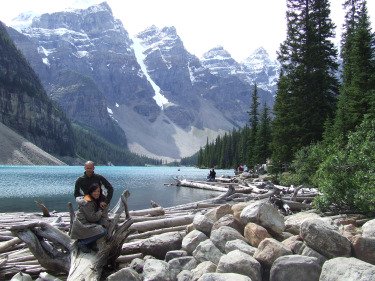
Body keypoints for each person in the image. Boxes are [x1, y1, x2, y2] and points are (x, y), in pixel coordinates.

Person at [70, 183, 109, 253]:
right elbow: (92, 218)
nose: (97, 193)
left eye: (98, 191)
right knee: (103, 231)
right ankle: (83, 243)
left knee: (104, 225)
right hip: (81, 225)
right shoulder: (87, 202)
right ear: (90, 192)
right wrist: (100, 211)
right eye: (94, 191)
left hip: (86, 222)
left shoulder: (94, 199)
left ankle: (91, 243)